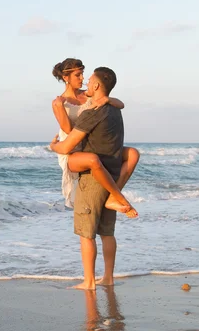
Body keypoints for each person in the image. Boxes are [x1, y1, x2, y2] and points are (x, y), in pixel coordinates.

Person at [50, 67, 134, 290]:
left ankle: (88, 282)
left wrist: (53, 146)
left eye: (88, 79)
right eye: (80, 75)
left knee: (87, 233)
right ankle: (108, 277)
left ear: (97, 86)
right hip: (112, 173)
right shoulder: (113, 110)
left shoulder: (93, 111)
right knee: (107, 231)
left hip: (93, 177)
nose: (85, 80)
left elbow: (67, 144)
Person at [51, 58, 138, 217]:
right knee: (92, 159)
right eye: (78, 75)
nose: (82, 79)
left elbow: (121, 104)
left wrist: (108, 99)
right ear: (66, 78)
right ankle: (120, 198)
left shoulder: (89, 95)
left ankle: (113, 196)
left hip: (92, 146)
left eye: (83, 74)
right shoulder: (59, 103)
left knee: (133, 154)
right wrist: (59, 108)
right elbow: (69, 130)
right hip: (72, 151)